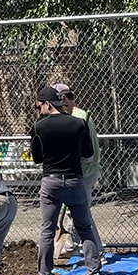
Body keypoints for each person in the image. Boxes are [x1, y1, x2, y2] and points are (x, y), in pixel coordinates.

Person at [31, 86, 103, 275]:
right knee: (84, 227)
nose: (39, 110)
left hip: (51, 182)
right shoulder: (78, 123)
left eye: (39, 106)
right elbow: (88, 153)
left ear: (47, 104)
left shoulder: (38, 127)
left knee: (47, 231)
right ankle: (95, 274)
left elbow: (37, 158)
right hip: (74, 180)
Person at [53, 82, 105, 260]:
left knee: (82, 213)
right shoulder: (79, 115)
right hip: (83, 170)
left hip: (85, 171)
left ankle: (97, 252)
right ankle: (71, 246)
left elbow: (85, 151)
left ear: (63, 98)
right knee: (74, 212)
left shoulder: (78, 118)